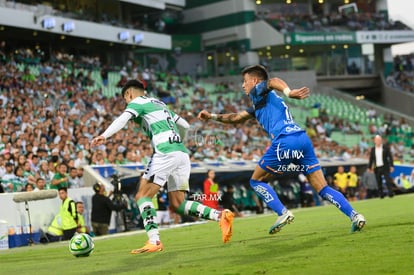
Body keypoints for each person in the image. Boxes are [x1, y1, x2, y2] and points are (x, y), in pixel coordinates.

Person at [197, 64, 366, 234]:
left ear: (255, 81)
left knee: (256, 181)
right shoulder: (260, 103)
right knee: (322, 188)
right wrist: (211, 117)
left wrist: (289, 92)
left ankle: (282, 213)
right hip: (302, 139)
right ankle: (355, 216)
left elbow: (272, 81)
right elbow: (235, 117)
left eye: (245, 81)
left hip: (285, 141)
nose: (243, 85)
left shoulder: (259, 90)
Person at [90, 79, 234, 254]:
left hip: (165, 152)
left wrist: (104, 136)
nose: (127, 103)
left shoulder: (137, 102)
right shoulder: (160, 104)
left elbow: (123, 119)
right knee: (178, 204)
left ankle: (154, 241)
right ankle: (220, 215)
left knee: (142, 196)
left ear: (128, 94)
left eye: (125, 100)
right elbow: (185, 125)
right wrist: (178, 141)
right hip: (181, 154)